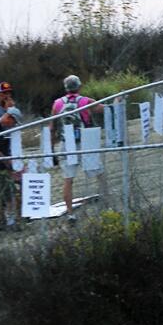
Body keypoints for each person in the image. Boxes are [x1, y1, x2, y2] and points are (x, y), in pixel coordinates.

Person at [51, 74, 105, 220]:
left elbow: (52, 128)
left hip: (66, 144)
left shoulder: (57, 104)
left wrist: (51, 149)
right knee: (99, 173)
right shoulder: (86, 101)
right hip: (85, 142)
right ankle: (106, 202)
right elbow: (104, 109)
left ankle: (70, 213)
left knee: (68, 180)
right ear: (79, 86)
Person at [0, 82, 23, 227]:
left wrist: (11, 110)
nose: (7, 96)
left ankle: (11, 219)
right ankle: (0, 220)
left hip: (9, 149)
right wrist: (8, 111)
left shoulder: (13, 108)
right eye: (3, 93)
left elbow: (16, 121)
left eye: (9, 93)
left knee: (9, 190)